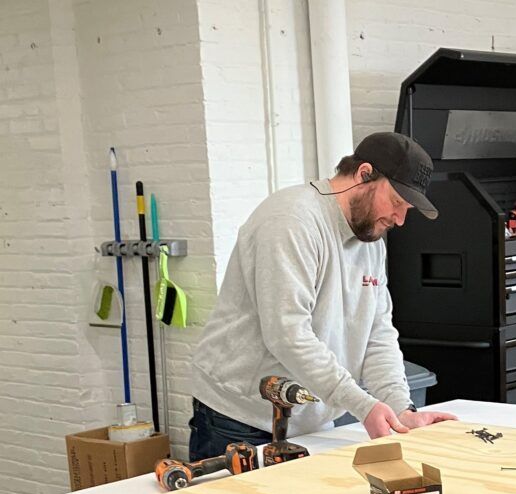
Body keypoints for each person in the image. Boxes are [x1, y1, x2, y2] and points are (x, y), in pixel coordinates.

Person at [189, 131, 457, 461]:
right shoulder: (291, 222)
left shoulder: (370, 240)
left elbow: (378, 334)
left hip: (311, 418)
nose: (400, 220)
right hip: (240, 418)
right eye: (397, 202)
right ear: (364, 174)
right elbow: (288, 335)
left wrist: (401, 408)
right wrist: (363, 405)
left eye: (408, 209)